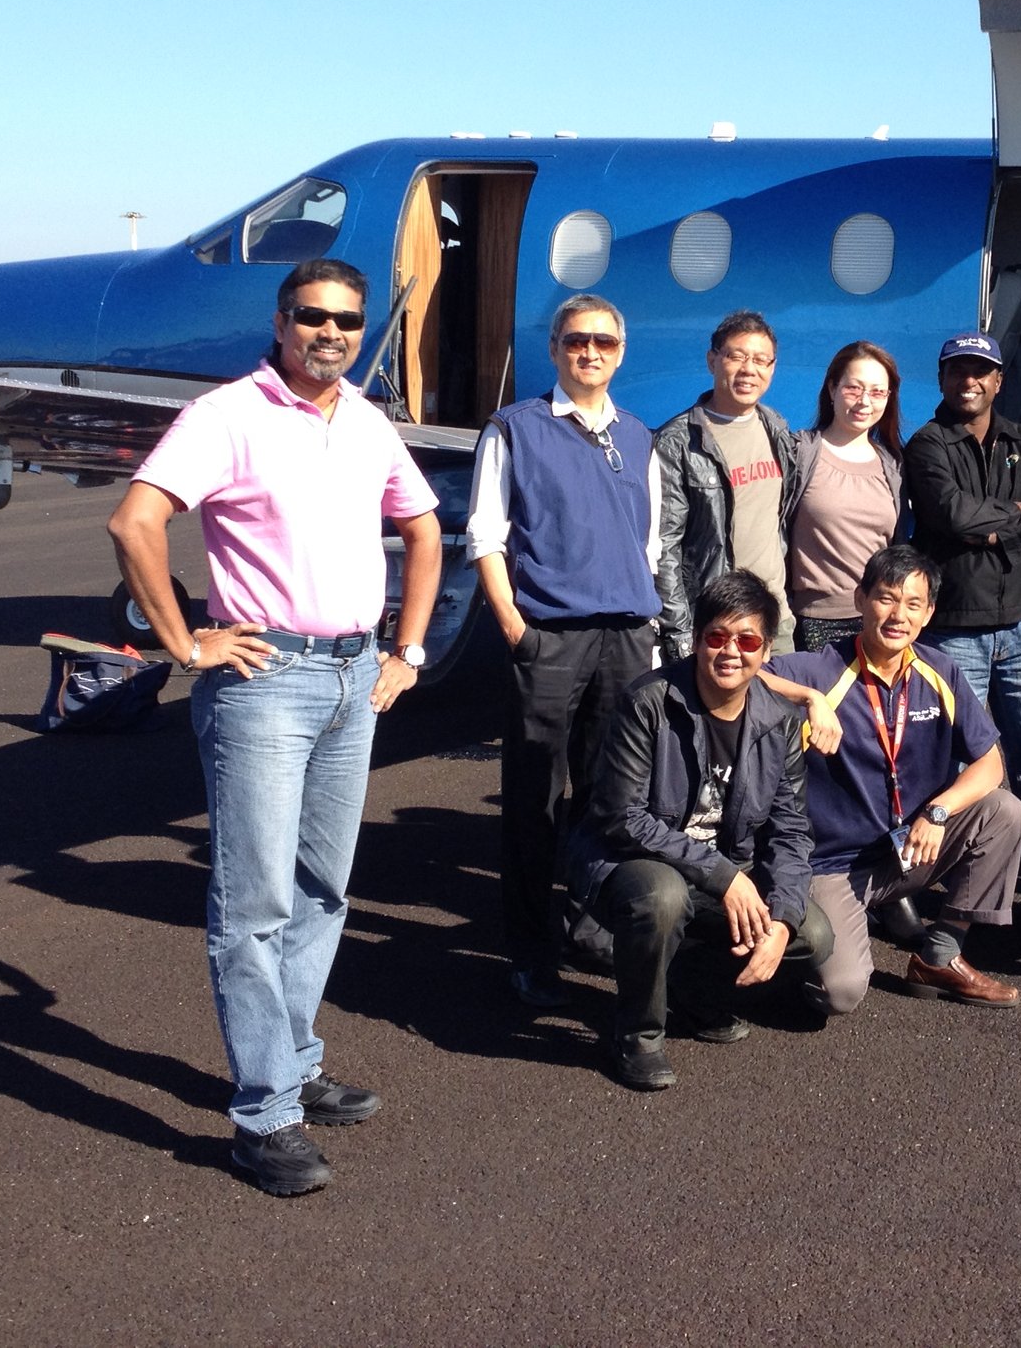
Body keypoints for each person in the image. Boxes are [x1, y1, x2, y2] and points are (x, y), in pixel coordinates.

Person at [107, 257, 442, 1197]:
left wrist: (405, 652)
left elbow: (421, 527)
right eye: (312, 316)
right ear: (281, 319)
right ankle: (264, 1116)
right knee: (253, 905)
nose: (329, 332)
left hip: (350, 676)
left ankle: (293, 1061)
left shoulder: (366, 419)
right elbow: (135, 521)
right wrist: (185, 642)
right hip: (264, 681)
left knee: (324, 889)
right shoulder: (227, 416)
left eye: (346, 319)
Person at [468, 292, 665, 1009]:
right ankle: (528, 945)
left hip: (626, 638)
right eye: (576, 340)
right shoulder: (514, 429)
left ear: (620, 351)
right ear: (554, 349)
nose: (590, 351)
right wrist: (517, 628)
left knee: (612, 796)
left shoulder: (640, 436)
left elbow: (648, 545)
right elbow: (486, 537)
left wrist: (650, 634)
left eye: (604, 342)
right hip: (550, 637)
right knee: (534, 800)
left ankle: (590, 925)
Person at [569, 571, 833, 1090]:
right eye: (717, 637)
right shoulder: (648, 702)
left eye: (748, 640)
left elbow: (791, 834)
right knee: (662, 898)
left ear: (765, 650)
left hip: (721, 871)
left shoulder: (779, 721)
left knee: (811, 935)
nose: (731, 651)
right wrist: (724, 877)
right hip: (629, 864)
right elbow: (621, 817)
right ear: (696, 640)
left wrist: (780, 917)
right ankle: (638, 1034)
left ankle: (685, 988)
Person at [763, 544, 1021, 1013]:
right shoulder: (821, 669)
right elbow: (740, 674)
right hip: (832, 863)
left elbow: (991, 765)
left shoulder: (940, 670)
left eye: (912, 604)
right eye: (885, 598)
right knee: (840, 994)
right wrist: (807, 698)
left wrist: (939, 811)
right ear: (861, 599)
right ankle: (801, 936)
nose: (897, 615)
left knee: (1004, 810)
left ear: (928, 613)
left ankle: (940, 954)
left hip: (908, 849)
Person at [901, 332, 1021, 868]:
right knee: (956, 761)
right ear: (943, 378)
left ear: (998, 381)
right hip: (953, 628)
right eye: (957, 371)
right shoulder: (928, 443)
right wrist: (1017, 516)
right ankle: (952, 870)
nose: (968, 381)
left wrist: (993, 526)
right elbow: (950, 515)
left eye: (980, 372)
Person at [652, 310, 803, 664]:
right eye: (736, 356)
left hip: (775, 621)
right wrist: (680, 632)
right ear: (712, 360)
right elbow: (664, 546)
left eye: (761, 360)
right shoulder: (678, 442)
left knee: (779, 716)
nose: (749, 369)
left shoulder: (777, 429)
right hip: (716, 625)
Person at [781, 340, 905, 655]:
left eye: (878, 392)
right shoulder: (800, 453)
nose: (865, 401)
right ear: (832, 388)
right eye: (853, 389)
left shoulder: (893, 464)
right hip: (814, 621)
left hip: (878, 620)